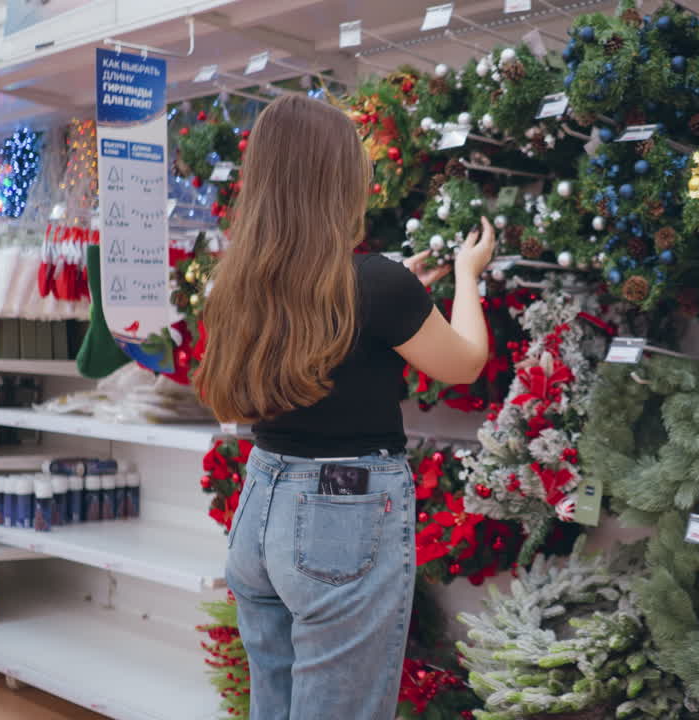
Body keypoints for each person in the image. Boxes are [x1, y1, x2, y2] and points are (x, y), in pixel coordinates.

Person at [194, 95, 495, 719]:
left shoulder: (242, 282)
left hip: (261, 507)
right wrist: (468, 275)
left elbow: (330, 314)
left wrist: (399, 285)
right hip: (342, 513)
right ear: (339, 179)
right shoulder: (379, 286)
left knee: (273, 706)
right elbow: (465, 362)